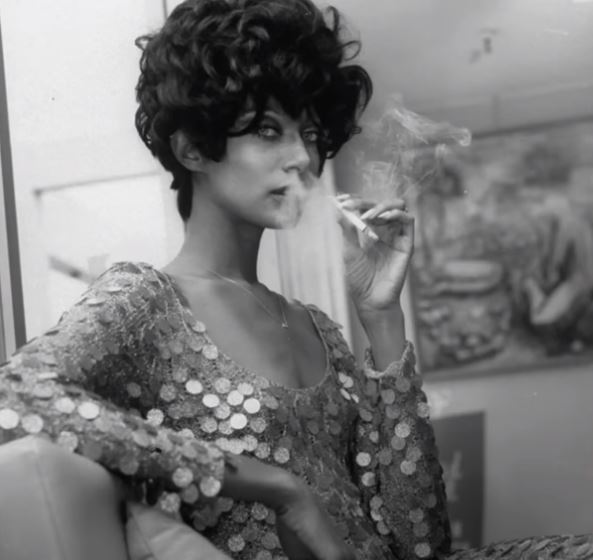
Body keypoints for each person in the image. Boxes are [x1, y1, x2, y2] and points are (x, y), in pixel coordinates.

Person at [0, 1, 592, 558]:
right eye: (267, 130)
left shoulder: (318, 328)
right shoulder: (146, 303)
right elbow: (17, 395)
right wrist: (272, 485)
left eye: (309, 135)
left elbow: (420, 544)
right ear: (192, 148)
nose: (303, 158)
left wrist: (382, 315)